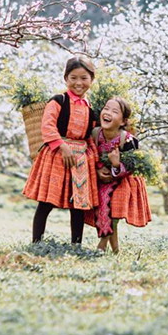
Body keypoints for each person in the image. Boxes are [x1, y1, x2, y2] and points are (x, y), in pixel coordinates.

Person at [22, 56, 99, 244]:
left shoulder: (91, 108)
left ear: (91, 80)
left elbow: (90, 135)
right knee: (47, 202)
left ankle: (76, 244)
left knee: (78, 205)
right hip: (57, 156)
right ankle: (37, 242)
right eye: (73, 78)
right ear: (66, 78)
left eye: (83, 78)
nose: (78, 83)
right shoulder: (58, 101)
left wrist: (94, 158)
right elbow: (47, 126)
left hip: (80, 159)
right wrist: (62, 146)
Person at [87, 96, 151, 252]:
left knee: (114, 210)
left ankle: (101, 247)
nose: (108, 112)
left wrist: (116, 165)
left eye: (115, 111)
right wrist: (97, 170)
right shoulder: (95, 134)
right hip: (101, 180)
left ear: (123, 121)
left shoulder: (128, 140)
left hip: (125, 181)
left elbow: (132, 167)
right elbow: (89, 154)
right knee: (104, 212)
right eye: (106, 108)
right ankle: (116, 251)